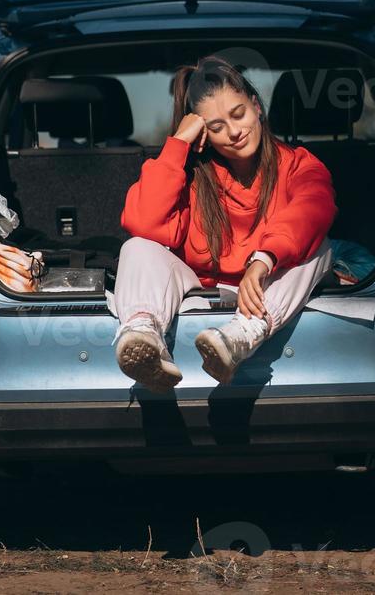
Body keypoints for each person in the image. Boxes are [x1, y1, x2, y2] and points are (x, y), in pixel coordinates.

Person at [112, 55, 338, 392]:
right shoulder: (191, 175)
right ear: (204, 134)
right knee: (137, 246)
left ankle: (240, 336)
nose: (233, 132)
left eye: (238, 114)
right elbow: (143, 221)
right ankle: (143, 336)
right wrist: (178, 144)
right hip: (200, 284)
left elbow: (313, 207)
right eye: (216, 127)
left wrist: (264, 259)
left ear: (257, 106)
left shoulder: (299, 165)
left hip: (267, 290)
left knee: (319, 248)